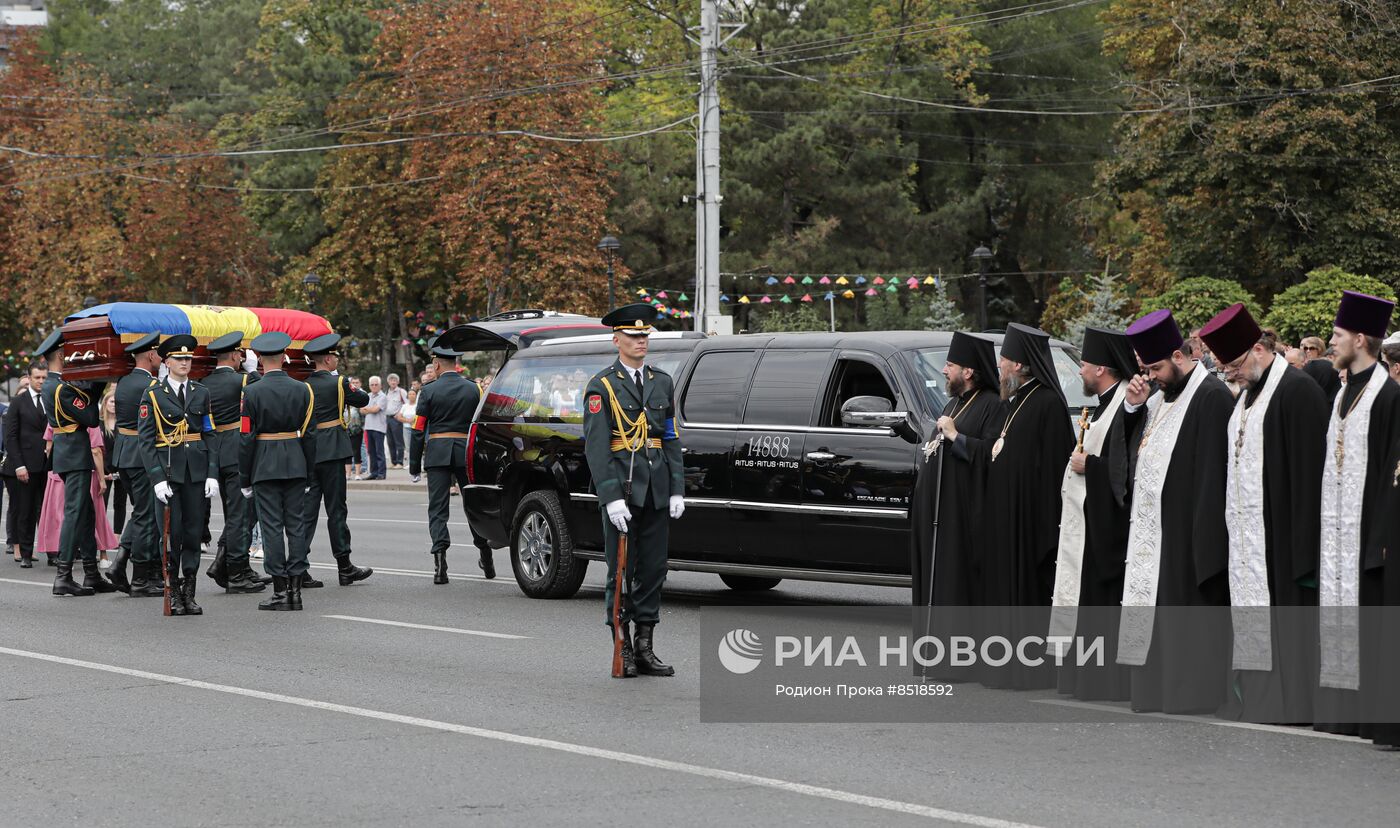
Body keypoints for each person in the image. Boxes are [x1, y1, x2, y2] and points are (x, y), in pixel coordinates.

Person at [1201, 304, 1328, 724]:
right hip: (1249, 544)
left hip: (1286, 541)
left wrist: (1304, 549)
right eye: (1223, 369)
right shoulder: (1243, 402)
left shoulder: (1298, 391)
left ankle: (1292, 704)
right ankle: (1259, 699)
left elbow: (1311, 478)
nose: (1230, 374)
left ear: (1258, 349)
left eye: (1234, 365)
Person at [938, 323, 1074, 690]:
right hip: (1005, 517)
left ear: (1020, 365)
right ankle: (1003, 666)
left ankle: (1029, 670)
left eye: (1003, 363)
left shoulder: (1047, 403)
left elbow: (1053, 470)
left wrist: (1039, 517)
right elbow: (999, 453)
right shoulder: (1016, 403)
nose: (998, 369)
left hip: (1029, 521)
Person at [1118, 309, 1234, 713]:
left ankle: (1190, 695)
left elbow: (1213, 477)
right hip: (1153, 534)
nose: (1151, 376)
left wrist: (1204, 547)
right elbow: (1136, 458)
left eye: (1155, 367)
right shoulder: (1159, 399)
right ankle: (1155, 692)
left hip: (1186, 538)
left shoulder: (1211, 396)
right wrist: (1133, 409)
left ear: (1179, 355)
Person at [1313, 291, 1400, 735]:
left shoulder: (1389, 397)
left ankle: (1366, 716)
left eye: (1338, 335)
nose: (1331, 343)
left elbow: (1391, 472)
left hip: (1368, 535)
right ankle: (1337, 713)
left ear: (1361, 339)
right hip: (1335, 535)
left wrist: (1380, 538)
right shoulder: (1342, 394)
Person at [582, 304, 685, 679]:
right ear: (617, 340)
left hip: (656, 488)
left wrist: (676, 487)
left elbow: (670, 436)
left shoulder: (662, 381)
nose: (641, 341)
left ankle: (645, 647)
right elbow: (596, 446)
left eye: (645, 336)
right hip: (623, 490)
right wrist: (610, 497)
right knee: (621, 571)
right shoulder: (602, 385)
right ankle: (621, 647)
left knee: (654, 570)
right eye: (633, 336)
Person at [1052, 326, 1141, 702]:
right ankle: (1081, 678)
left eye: (1084, 365)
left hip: (1106, 529)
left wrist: (1091, 464)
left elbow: (1127, 469)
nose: (1079, 372)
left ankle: (1102, 681)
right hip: (1086, 525)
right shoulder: (1103, 403)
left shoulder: (1124, 404)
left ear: (1102, 369)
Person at [911, 332, 1001, 611]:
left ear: (969, 371)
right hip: (937, 515)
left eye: (950, 365)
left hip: (961, 518)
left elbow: (991, 455)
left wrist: (956, 437)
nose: (943, 370)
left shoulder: (993, 405)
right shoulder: (955, 402)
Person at [137, 335, 218, 616]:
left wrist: (212, 473)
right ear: (167, 361)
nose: (185, 363)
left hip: (196, 473)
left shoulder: (201, 392)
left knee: (194, 534)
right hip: (169, 472)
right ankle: (172, 592)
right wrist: (157, 478)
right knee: (172, 536)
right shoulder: (153, 394)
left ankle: (189, 594)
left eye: (188, 358)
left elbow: (209, 433)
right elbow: (146, 442)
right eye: (179, 359)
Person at [239, 332, 317, 612]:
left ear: (259, 359)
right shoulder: (303, 389)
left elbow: (246, 438)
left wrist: (244, 477)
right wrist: (309, 473)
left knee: (271, 527)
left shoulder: (252, 391)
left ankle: (279, 590)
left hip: (264, 464)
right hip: (296, 462)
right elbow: (310, 436)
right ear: (284, 357)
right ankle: (296, 590)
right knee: (296, 525)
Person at [409, 344, 495, 583]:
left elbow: (418, 430)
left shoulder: (428, 391)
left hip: (437, 454)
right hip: (465, 454)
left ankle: (440, 566)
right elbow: (482, 425)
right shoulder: (474, 389)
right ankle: (486, 556)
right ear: (456, 364)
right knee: (473, 507)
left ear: (436, 365)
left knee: (438, 510)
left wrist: (414, 465)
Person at [38, 330, 112, 596]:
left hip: (68, 451)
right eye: (67, 352)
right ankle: (64, 575)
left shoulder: (54, 385)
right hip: (74, 453)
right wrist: (100, 381)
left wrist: (95, 383)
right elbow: (91, 417)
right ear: (60, 355)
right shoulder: (61, 388)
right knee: (74, 513)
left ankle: (91, 573)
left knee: (85, 513)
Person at [302, 333, 374, 587]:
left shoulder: (304, 384)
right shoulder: (339, 382)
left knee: (307, 513)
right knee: (336, 510)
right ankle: (344, 566)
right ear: (328, 359)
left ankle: (300, 567)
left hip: (309, 452)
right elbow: (363, 399)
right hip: (332, 450)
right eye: (334, 357)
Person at [200, 331, 266, 594]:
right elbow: (264, 393)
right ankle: (235, 571)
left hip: (216, 452)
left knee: (234, 514)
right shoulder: (245, 379)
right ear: (236, 355)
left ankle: (230, 564)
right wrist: (253, 371)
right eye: (241, 355)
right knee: (242, 515)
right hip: (239, 451)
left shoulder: (203, 381)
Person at [103, 334, 163, 595]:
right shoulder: (150, 385)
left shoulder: (123, 381)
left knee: (141, 512)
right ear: (150, 356)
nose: (161, 358)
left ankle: (121, 562)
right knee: (148, 516)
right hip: (142, 456)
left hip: (124, 455)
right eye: (159, 354)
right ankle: (141, 578)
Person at [36, 421, 119, 566]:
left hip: (59, 472)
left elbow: (49, 447)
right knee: (93, 515)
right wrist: (101, 478)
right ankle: (99, 556)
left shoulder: (55, 417)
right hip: (84, 472)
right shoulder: (88, 419)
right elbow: (96, 451)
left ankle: (65, 558)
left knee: (62, 516)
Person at [3, 361, 49, 568]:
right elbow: (11, 437)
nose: (40, 381)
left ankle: (53, 552)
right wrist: (19, 465)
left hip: (50, 464)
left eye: (44, 377)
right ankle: (27, 554)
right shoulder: (18, 402)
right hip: (26, 466)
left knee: (49, 512)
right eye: (37, 377)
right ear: (29, 378)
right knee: (26, 511)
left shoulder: (52, 399)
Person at [361, 376, 387, 480]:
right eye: (372, 385)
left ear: (380, 385)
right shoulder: (368, 396)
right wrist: (369, 409)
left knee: (379, 451)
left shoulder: (383, 396)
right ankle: (373, 472)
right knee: (371, 452)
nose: (374, 386)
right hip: (368, 427)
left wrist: (368, 409)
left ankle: (381, 473)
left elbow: (376, 409)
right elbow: (361, 410)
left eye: (376, 384)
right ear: (369, 386)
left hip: (379, 427)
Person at [383, 372, 409, 469]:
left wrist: (400, 413)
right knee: (390, 441)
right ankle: (393, 461)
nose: (393, 382)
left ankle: (400, 462)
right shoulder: (386, 392)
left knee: (398, 441)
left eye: (395, 380)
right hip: (387, 418)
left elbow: (407, 404)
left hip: (396, 418)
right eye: (391, 380)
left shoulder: (401, 392)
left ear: (398, 382)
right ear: (388, 382)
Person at [398, 389, 418, 471]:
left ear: (416, 395)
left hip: (416, 428)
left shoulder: (418, 405)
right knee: (408, 446)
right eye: (410, 394)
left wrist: (413, 420)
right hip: (406, 428)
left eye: (413, 394)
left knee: (417, 446)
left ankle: (418, 464)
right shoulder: (404, 406)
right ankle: (410, 463)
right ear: (408, 396)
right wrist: (408, 421)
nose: (412, 395)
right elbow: (399, 417)